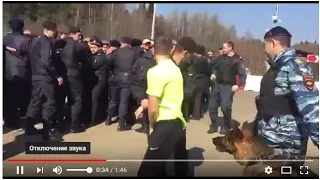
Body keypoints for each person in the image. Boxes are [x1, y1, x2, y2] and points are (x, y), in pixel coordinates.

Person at [254, 26, 319, 173]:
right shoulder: (275, 68)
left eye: (265, 44)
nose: (264, 49)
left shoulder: (295, 67)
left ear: (273, 43)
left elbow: (311, 108)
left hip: (287, 144)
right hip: (269, 141)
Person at [137, 37, 188, 177]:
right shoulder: (176, 69)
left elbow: (153, 107)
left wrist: (153, 126)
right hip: (178, 121)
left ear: (153, 50)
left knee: (146, 172)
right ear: (170, 50)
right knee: (160, 168)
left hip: (165, 124)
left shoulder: (155, 72)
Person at [25, 20, 63, 141]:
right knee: (49, 104)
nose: (55, 33)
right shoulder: (46, 43)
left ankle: (29, 127)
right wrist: (57, 76)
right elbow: (47, 62)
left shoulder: (34, 41)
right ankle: (47, 132)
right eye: (54, 30)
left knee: (35, 102)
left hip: (35, 76)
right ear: (47, 30)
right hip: (45, 77)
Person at [208, 41, 247, 134]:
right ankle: (214, 125)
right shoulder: (220, 58)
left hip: (228, 86)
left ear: (230, 48)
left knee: (225, 107)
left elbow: (242, 75)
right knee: (212, 106)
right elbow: (215, 67)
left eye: (224, 48)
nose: (223, 49)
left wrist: (237, 85)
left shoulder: (237, 59)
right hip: (217, 84)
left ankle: (226, 126)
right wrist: (214, 73)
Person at [59, 26, 90, 133]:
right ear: (73, 34)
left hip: (61, 75)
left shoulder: (60, 43)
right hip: (74, 74)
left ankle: (61, 123)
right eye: (79, 35)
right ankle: (74, 125)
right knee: (76, 100)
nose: (79, 37)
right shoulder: (78, 46)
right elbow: (86, 62)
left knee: (62, 99)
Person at [3, 18, 32, 129]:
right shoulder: (26, 40)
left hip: (9, 73)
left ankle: (10, 121)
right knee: (24, 98)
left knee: (10, 99)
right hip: (24, 73)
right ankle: (24, 120)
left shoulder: (5, 39)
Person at [105, 37, 136, 131]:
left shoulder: (116, 52)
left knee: (114, 99)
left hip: (115, 77)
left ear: (122, 43)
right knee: (124, 100)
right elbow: (136, 66)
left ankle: (108, 118)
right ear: (129, 44)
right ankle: (121, 123)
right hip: (127, 77)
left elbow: (108, 61)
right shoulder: (133, 53)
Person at [131, 43, 156, 133]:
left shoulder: (141, 59)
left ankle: (145, 126)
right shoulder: (156, 61)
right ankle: (149, 127)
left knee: (143, 106)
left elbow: (133, 71)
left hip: (141, 87)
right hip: (150, 87)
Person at [88, 37, 111, 125]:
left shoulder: (100, 57)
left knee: (94, 100)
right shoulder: (94, 56)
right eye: (91, 47)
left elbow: (92, 67)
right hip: (95, 80)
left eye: (94, 48)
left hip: (100, 81)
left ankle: (93, 120)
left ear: (99, 48)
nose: (92, 49)